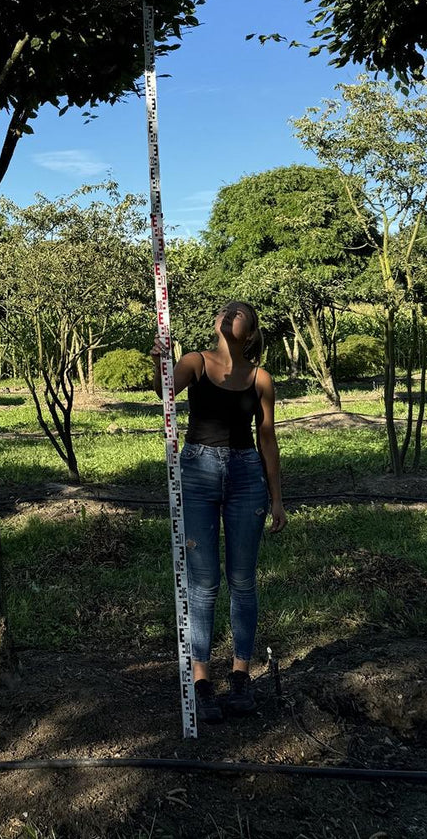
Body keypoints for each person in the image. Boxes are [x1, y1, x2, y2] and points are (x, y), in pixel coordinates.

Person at [151, 301, 287, 725]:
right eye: (225, 310)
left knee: (243, 581)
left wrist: (277, 498)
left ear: (250, 333)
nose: (230, 314)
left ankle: (241, 678)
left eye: (240, 312)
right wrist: (160, 361)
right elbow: (165, 392)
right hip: (197, 473)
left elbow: (267, 439)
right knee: (203, 582)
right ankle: (201, 682)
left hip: (246, 476)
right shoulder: (195, 361)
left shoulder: (260, 378)